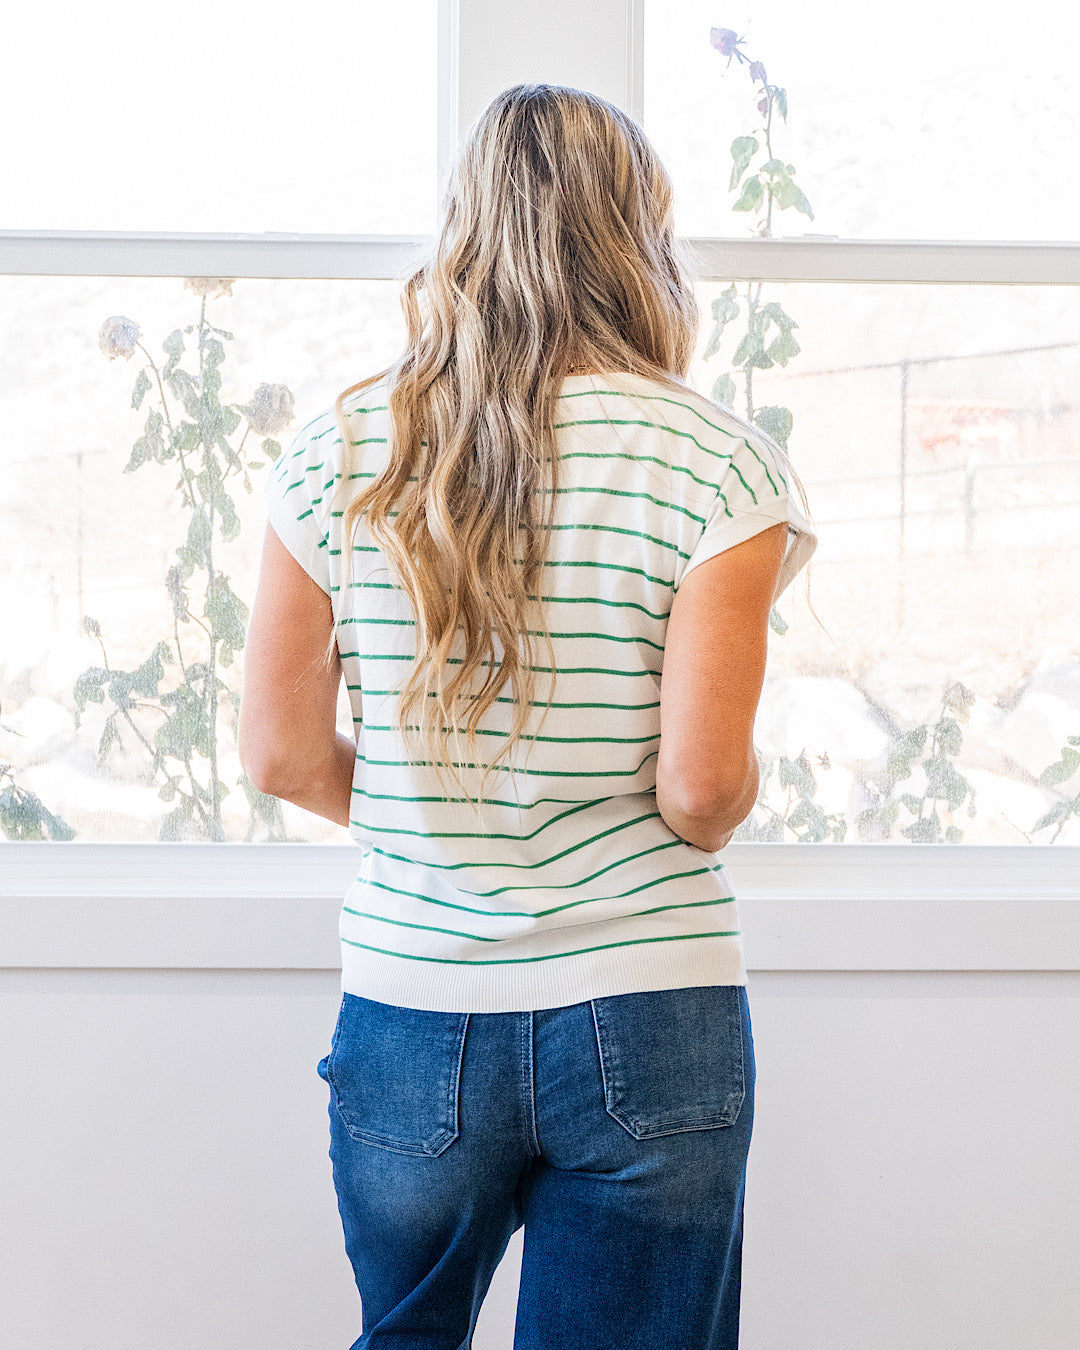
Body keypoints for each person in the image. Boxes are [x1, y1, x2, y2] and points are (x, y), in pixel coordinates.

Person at [239, 82, 818, 1350]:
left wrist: (435, 816)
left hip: (410, 1007)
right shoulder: (717, 464)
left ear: (465, 230)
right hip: (648, 1007)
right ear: (639, 240)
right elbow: (703, 795)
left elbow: (279, 752)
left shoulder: (342, 450)